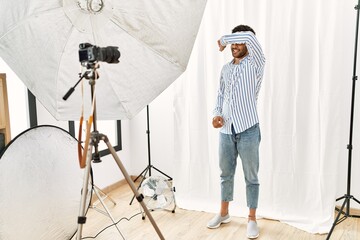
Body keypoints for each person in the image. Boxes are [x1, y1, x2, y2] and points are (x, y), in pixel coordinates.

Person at [207, 24, 265, 239]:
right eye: (233, 42)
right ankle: (224, 213)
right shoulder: (226, 68)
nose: (234, 45)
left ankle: (251, 219)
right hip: (226, 130)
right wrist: (216, 115)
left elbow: (249, 37)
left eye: (239, 41)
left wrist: (223, 39)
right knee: (225, 174)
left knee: (251, 176)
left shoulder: (256, 64)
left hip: (249, 128)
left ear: (249, 44)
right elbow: (220, 96)